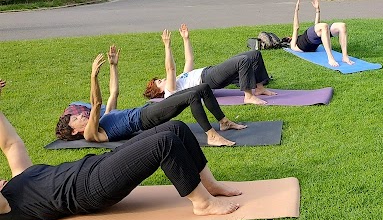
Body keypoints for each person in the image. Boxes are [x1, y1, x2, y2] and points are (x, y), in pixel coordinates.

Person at [0, 79, 241, 220]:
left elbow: (10, 144)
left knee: (175, 128)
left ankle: (209, 184)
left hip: (95, 166)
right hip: (89, 189)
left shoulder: (20, 177)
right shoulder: (8, 206)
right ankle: (202, 204)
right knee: (164, 143)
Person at [58, 47, 245, 147]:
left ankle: (224, 122)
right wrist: (93, 77)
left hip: (146, 111)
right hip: (145, 119)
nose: (81, 115)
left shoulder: (104, 119)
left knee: (202, 87)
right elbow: (97, 103)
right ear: (74, 131)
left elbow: (114, 92)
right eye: (75, 119)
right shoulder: (91, 134)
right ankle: (211, 136)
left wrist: (113, 66)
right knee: (192, 96)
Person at [144, 24, 275, 105]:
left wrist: (186, 39)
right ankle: (249, 96)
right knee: (243, 61)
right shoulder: (169, 92)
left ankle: (259, 88)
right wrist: (167, 46)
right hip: (207, 79)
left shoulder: (179, 80)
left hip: (209, 72)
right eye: (160, 82)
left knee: (254, 55)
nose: (163, 79)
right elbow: (170, 69)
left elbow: (189, 60)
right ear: (160, 91)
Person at [288, 0, 353, 67]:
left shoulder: (299, 42)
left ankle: (345, 56)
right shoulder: (293, 46)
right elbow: (296, 28)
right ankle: (330, 58)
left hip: (311, 36)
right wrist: (296, 11)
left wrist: (317, 10)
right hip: (314, 38)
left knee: (342, 26)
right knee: (324, 26)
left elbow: (316, 25)